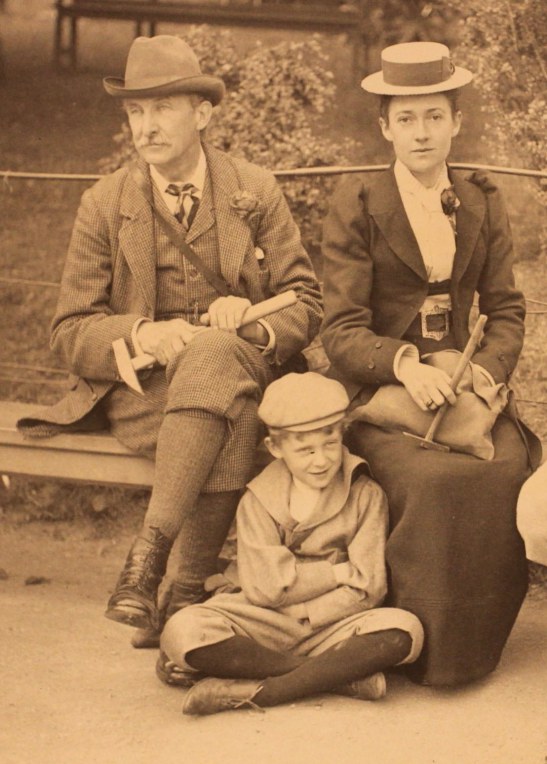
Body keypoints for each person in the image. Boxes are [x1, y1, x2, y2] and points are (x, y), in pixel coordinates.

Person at [17, 35, 322, 636]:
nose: (146, 126)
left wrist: (253, 319)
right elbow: (69, 330)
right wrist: (140, 333)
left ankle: (144, 565)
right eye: (136, 111)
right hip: (146, 397)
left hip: (244, 371)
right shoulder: (105, 204)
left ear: (202, 115)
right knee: (233, 412)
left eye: (162, 108)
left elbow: (306, 302)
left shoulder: (253, 189)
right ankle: (184, 600)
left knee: (216, 357)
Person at [320, 41, 542, 686]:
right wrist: (404, 365)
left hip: (464, 385)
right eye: (407, 119)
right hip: (381, 391)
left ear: (456, 123)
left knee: (504, 468)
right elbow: (341, 330)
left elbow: (506, 309)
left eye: (435, 116)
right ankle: (416, 646)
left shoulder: (480, 199)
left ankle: (473, 648)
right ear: (385, 127)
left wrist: (485, 374)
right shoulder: (359, 200)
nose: (422, 133)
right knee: (434, 480)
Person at [157, 372, 424, 715]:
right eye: (305, 450)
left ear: (342, 435)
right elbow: (266, 588)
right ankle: (336, 678)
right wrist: (336, 572)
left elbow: (368, 587)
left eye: (330, 444)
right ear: (275, 448)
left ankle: (265, 692)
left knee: (404, 631)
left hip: (333, 624)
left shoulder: (365, 495)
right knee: (183, 630)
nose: (321, 460)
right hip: (263, 620)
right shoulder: (257, 500)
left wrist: (307, 610)